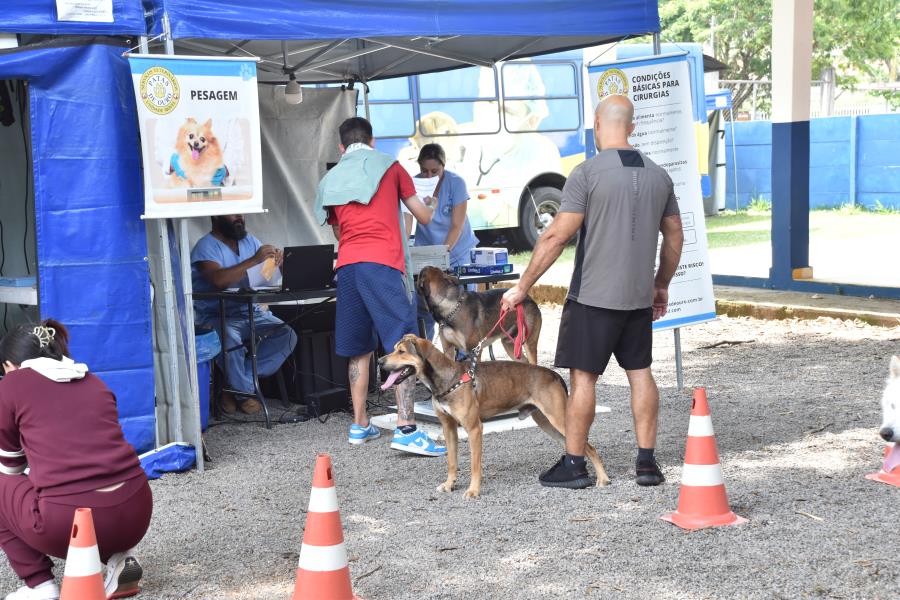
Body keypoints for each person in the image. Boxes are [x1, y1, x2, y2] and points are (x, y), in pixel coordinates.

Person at [501, 95, 684, 489]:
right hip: (637, 298)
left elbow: (555, 235)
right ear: (631, 127)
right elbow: (674, 236)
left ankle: (575, 464)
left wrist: (523, 286)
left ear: (598, 124)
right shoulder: (659, 175)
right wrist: (661, 284)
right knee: (641, 375)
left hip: (592, 299)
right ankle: (647, 464)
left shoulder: (586, 173)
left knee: (584, 381)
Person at [315, 116, 445, 456]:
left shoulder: (331, 177)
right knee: (403, 343)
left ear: (342, 147)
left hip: (347, 267)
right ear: (372, 142)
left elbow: (339, 232)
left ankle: (359, 424)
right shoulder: (391, 167)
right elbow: (424, 216)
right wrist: (429, 203)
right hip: (382, 264)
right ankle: (405, 428)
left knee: (358, 348)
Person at [0, 319, 152, 600]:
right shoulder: (92, 379)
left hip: (67, 521)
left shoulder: (12, 384)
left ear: (10, 366)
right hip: (137, 511)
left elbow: (10, 467)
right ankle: (120, 557)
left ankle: (39, 584)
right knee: (92, 486)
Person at [191, 214, 298, 415]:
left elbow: (264, 276)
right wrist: (255, 259)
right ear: (216, 217)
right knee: (230, 337)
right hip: (216, 315)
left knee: (287, 334)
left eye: (241, 213)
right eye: (234, 214)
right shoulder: (205, 246)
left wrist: (279, 265)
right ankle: (243, 393)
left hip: (251, 312)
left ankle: (234, 388)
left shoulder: (249, 241)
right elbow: (218, 280)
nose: (239, 218)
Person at [413, 143, 479, 340]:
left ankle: (464, 361)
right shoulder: (413, 184)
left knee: (460, 309)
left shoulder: (456, 183)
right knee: (424, 308)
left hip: (457, 252)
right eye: (424, 171)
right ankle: (427, 356)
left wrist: (442, 256)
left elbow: (457, 225)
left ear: (444, 166)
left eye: (435, 171)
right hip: (425, 254)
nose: (429, 176)